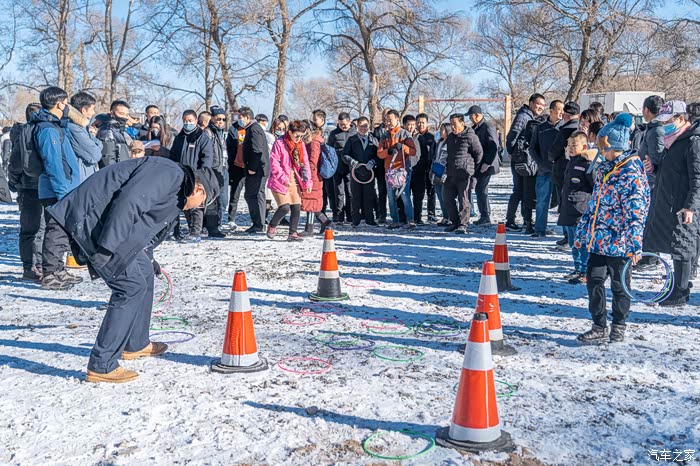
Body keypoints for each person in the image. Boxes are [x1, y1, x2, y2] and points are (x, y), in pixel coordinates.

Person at [48, 156, 220, 383]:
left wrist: (148, 256)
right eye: (202, 202)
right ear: (198, 189)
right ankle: (102, 364)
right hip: (94, 221)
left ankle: (136, 343)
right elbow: (129, 203)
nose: (198, 208)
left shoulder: (177, 189)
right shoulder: (169, 174)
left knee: (145, 274)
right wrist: (108, 247)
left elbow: (146, 227)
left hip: (109, 226)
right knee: (130, 287)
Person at [575, 114, 649, 343]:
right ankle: (599, 325)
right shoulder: (605, 168)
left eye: (601, 144)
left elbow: (636, 211)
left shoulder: (631, 172)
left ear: (611, 145)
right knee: (594, 280)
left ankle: (619, 324)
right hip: (599, 239)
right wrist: (582, 232)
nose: (598, 148)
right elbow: (594, 205)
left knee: (620, 286)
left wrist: (635, 244)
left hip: (621, 242)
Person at [643, 101, 699, 306]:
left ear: (681, 119)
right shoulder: (674, 140)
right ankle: (677, 286)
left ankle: (680, 292)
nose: (664, 126)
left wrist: (690, 206)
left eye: (667, 122)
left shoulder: (693, 141)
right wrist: (654, 168)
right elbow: (675, 169)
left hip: (684, 203)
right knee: (676, 245)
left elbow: (697, 178)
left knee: (683, 245)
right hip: (670, 200)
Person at [33, 87, 83, 290]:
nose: (67, 106)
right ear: (59, 103)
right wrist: (63, 192)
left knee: (62, 231)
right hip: (56, 190)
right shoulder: (48, 129)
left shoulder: (56, 126)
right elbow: (53, 163)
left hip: (64, 187)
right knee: (55, 231)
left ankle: (58, 269)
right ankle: (50, 273)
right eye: (65, 102)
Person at [8, 103, 45, 281]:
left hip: (34, 186)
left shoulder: (37, 131)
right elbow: (15, 162)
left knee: (38, 228)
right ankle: (30, 266)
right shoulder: (24, 133)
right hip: (30, 186)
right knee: (33, 229)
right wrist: (14, 182)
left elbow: (14, 163)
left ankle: (37, 264)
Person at [170, 109, 213, 242]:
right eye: (185, 120)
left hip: (196, 176)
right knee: (183, 204)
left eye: (190, 120)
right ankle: (180, 230)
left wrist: (200, 174)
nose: (187, 123)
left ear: (195, 121)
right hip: (180, 175)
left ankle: (195, 232)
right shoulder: (179, 137)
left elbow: (207, 157)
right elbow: (173, 155)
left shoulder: (202, 137)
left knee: (195, 205)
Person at [505, 93, 545, 231]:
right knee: (519, 191)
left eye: (543, 105)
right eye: (538, 104)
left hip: (525, 158)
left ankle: (523, 220)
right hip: (521, 159)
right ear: (531, 103)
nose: (540, 107)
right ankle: (511, 220)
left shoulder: (530, 116)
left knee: (524, 191)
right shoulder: (523, 116)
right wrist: (511, 152)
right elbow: (513, 134)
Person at [267, 120, 313, 241]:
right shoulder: (279, 143)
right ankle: (272, 225)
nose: (299, 139)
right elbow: (274, 163)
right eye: (297, 135)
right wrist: (282, 177)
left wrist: (307, 181)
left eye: (301, 136)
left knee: (296, 207)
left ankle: (293, 233)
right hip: (279, 179)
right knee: (284, 207)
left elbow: (305, 164)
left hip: (294, 178)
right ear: (290, 132)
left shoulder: (300, 145)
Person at [558, 131, 594, 284]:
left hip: (581, 211)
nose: (571, 148)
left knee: (582, 242)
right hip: (568, 209)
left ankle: (585, 271)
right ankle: (578, 268)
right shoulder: (571, 162)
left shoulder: (587, 164)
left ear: (584, 146)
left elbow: (595, 186)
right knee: (573, 242)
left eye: (574, 145)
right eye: (569, 145)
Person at [443, 113, 483, 234]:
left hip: (465, 173)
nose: (452, 127)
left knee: (464, 199)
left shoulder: (470, 136)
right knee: (447, 197)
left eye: (455, 124)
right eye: (451, 124)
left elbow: (479, 153)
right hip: (451, 172)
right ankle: (454, 222)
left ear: (462, 123)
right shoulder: (450, 137)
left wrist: (472, 168)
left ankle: (463, 224)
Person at [377, 109, 417, 230]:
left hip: (403, 170)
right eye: (386, 120)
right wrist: (387, 151)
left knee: (404, 195)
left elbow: (413, 151)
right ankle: (395, 220)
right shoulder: (384, 135)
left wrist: (403, 147)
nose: (388, 122)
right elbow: (379, 153)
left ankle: (410, 220)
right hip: (389, 171)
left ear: (397, 119)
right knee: (391, 197)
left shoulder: (405, 134)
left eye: (390, 120)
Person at [549, 101, 581, 245]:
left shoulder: (564, 130)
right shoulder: (581, 131)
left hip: (562, 169)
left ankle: (568, 236)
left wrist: (550, 157)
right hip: (578, 170)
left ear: (565, 115)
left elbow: (554, 151)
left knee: (564, 204)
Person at [529, 100, 563, 237]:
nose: (561, 112)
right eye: (559, 109)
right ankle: (539, 229)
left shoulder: (565, 127)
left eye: (563, 110)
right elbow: (532, 148)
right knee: (542, 201)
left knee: (563, 202)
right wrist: (539, 163)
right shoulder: (540, 128)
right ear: (551, 110)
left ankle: (566, 233)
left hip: (561, 171)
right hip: (544, 171)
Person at [342, 116, 380, 227]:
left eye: (365, 126)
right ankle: (355, 220)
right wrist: (352, 162)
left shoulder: (374, 140)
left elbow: (379, 155)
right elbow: (344, 155)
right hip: (356, 173)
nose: (363, 128)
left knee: (369, 196)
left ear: (369, 126)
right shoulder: (352, 140)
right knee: (355, 196)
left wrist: (373, 161)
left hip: (369, 173)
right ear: (357, 126)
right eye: (361, 126)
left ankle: (369, 219)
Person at [468, 106, 500, 226]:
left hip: (486, 164)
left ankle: (485, 216)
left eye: (471, 116)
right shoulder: (475, 128)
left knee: (481, 189)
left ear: (477, 115)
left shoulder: (487, 126)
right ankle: (484, 215)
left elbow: (493, 146)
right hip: (479, 164)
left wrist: (487, 162)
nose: (470, 119)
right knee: (479, 189)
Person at [240, 106, 270, 233]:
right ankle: (259, 222)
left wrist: (252, 167)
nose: (239, 120)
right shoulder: (252, 128)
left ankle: (259, 223)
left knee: (253, 195)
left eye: (241, 117)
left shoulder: (254, 129)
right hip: (258, 168)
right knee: (255, 194)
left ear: (247, 117)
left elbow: (257, 150)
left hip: (257, 169)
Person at [301, 121, 332, 235]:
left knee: (311, 202)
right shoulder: (313, 140)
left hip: (313, 175)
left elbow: (313, 161)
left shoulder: (314, 141)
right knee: (311, 201)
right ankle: (326, 222)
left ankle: (309, 229)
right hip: (312, 174)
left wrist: (305, 171)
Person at [203, 106, 229, 238]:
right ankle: (211, 227)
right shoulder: (208, 133)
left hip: (223, 169)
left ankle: (218, 224)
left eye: (224, 119)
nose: (221, 122)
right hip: (212, 170)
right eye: (218, 119)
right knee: (213, 201)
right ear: (212, 118)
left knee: (223, 201)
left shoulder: (221, 133)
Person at [327, 112, 357, 224]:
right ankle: (339, 215)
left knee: (350, 192)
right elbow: (329, 150)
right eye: (340, 124)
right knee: (339, 192)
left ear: (349, 122)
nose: (343, 126)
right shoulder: (334, 134)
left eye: (344, 124)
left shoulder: (355, 133)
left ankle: (350, 215)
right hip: (337, 167)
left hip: (350, 167)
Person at [66, 92, 102, 182]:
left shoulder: (83, 126)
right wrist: (97, 144)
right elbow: (95, 155)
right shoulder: (74, 128)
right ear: (83, 110)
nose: (94, 112)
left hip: (85, 174)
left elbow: (98, 145)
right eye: (92, 109)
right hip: (80, 176)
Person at [96, 100, 134, 167]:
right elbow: (107, 158)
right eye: (121, 113)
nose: (124, 117)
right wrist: (115, 172)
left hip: (123, 167)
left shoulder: (120, 130)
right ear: (112, 113)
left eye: (127, 115)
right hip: (115, 170)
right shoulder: (107, 129)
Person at [430, 123, 452, 225]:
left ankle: (451, 217)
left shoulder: (450, 143)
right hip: (437, 171)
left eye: (442, 130)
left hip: (445, 171)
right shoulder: (439, 142)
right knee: (439, 195)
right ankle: (445, 216)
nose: (440, 132)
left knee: (445, 196)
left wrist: (446, 172)